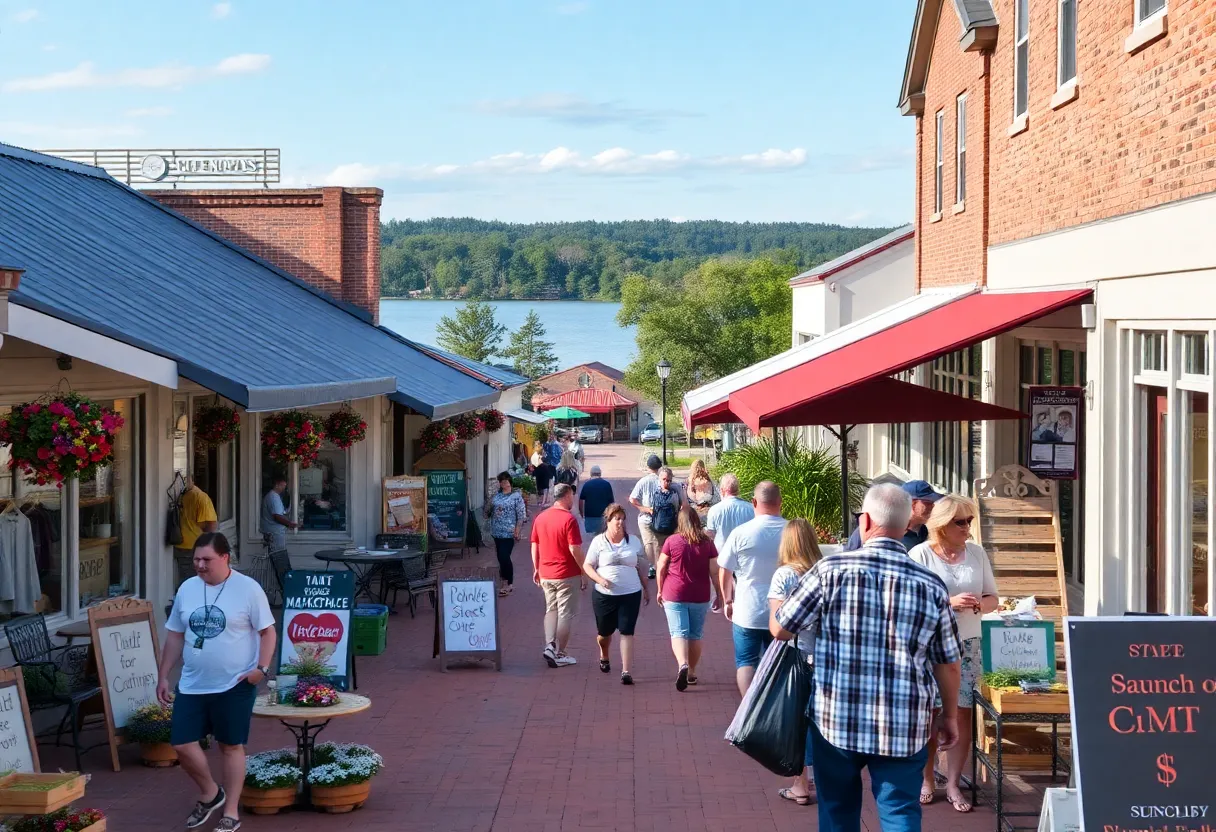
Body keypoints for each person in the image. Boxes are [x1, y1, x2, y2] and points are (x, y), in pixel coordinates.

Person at [771, 483, 963, 831]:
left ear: (866, 521)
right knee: (901, 812)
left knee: (837, 811)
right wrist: (949, 716)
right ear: (907, 526)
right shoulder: (931, 585)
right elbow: (948, 662)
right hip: (905, 722)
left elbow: (782, 629)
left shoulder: (829, 571)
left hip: (836, 718)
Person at [156, 532, 276, 832]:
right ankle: (211, 793)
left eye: (206, 559)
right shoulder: (188, 588)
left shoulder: (248, 589)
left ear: (225, 558)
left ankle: (231, 811)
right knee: (182, 744)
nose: (199, 565)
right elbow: (175, 634)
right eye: (196, 559)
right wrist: (163, 674)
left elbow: (268, 632)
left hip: (234, 684)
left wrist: (261, 669)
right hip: (193, 684)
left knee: (231, 746)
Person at [908, 495, 998, 812]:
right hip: (932, 645)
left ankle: (955, 782)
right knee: (930, 715)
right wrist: (949, 602)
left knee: (962, 713)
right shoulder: (919, 555)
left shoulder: (976, 553)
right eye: (960, 521)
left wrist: (977, 604)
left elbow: (993, 599)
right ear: (942, 524)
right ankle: (928, 780)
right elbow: (911, 603)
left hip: (969, 644)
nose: (967, 528)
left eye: (970, 521)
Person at [767, 518, 823, 807]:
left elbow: (778, 627)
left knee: (797, 719)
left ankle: (800, 783)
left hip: (797, 654)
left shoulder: (784, 576)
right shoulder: (824, 571)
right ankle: (821, 777)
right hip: (827, 656)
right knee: (820, 720)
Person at [717, 480, 786, 696]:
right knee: (778, 663)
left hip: (747, 610)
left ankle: (748, 710)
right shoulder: (791, 531)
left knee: (746, 662)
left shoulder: (741, 533)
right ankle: (772, 707)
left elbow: (725, 570)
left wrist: (728, 599)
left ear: (754, 502)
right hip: (783, 611)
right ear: (780, 503)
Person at [583, 503, 649, 684]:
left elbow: (640, 567)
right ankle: (604, 654)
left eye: (622, 519)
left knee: (627, 631)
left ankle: (626, 671)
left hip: (630, 593)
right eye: (616, 519)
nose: (620, 522)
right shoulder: (598, 542)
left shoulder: (634, 541)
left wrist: (646, 588)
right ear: (608, 521)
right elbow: (587, 565)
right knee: (605, 633)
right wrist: (599, 579)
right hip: (604, 595)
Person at [657, 506, 722, 691]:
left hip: (674, 593)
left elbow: (661, 566)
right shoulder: (707, 543)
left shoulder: (672, 541)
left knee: (678, 632)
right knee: (695, 634)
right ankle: (692, 672)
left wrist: (660, 589)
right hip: (700, 595)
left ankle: (682, 664)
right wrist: (719, 594)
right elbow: (714, 572)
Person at [531, 483, 585, 667]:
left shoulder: (541, 517)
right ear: (567, 495)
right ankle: (559, 652)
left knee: (551, 609)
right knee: (566, 613)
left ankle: (550, 645)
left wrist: (536, 567)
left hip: (546, 573)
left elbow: (534, 544)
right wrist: (584, 570)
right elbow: (574, 548)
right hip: (566, 573)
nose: (573, 500)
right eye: (572, 495)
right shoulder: (569, 519)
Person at [843, 479, 941, 552]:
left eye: (933, 503)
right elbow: (849, 557)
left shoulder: (928, 532)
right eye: (928, 503)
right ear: (913, 504)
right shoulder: (870, 529)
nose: (932, 506)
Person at [629, 457, 685, 579]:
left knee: (650, 545)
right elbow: (684, 505)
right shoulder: (674, 485)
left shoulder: (644, 481)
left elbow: (632, 499)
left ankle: (654, 567)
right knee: (663, 546)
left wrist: (645, 509)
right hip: (668, 521)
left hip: (646, 519)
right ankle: (662, 568)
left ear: (648, 467)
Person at [487, 471, 528, 597]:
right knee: (500, 557)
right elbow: (487, 513)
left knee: (504, 556)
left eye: (506, 480)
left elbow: (521, 514)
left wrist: (517, 530)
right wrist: (490, 503)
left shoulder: (515, 496)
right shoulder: (496, 496)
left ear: (510, 481)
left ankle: (508, 583)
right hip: (496, 531)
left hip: (509, 532)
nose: (504, 483)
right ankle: (503, 579)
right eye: (501, 481)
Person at [176, 477, 218, 589]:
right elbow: (211, 524)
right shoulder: (201, 497)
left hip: (181, 544)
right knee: (197, 583)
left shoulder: (181, 496)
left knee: (185, 581)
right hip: (195, 546)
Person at [705, 473, 754, 550]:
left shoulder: (714, 510)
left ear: (722, 490)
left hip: (721, 555)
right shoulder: (751, 509)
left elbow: (710, 536)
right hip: (744, 555)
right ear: (738, 490)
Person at [260, 474, 298, 550]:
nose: (284, 488)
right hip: (275, 533)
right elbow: (277, 516)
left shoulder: (274, 496)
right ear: (277, 485)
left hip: (273, 532)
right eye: (283, 486)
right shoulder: (273, 497)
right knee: (278, 556)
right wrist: (289, 524)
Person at [578, 466, 615, 535]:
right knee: (603, 536)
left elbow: (580, 501)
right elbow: (611, 503)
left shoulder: (587, 485)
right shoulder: (607, 485)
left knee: (591, 538)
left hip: (590, 516)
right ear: (600, 474)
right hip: (603, 516)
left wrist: (582, 514)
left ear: (591, 474)